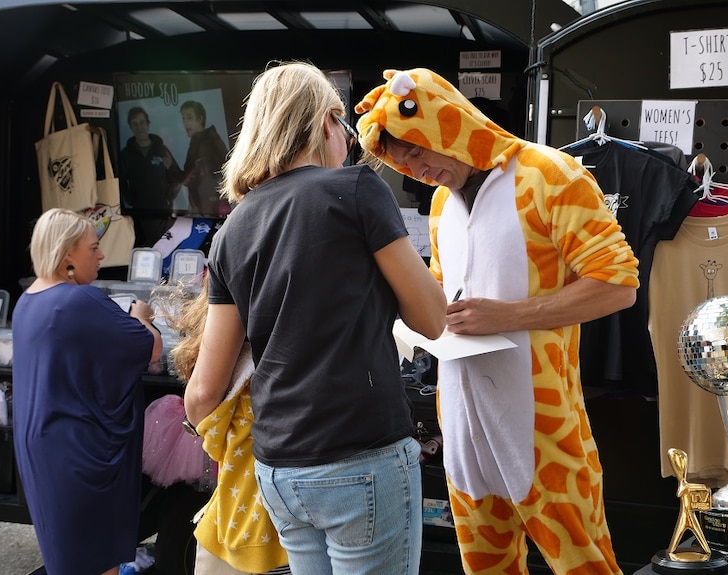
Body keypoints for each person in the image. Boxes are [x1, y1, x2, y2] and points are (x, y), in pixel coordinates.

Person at [355, 68, 640, 575]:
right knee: (484, 567)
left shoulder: (553, 174)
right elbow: (444, 294)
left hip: (543, 427)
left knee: (584, 565)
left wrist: (508, 316)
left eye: (417, 152)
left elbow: (618, 285)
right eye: (402, 164)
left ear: (446, 123)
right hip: (462, 426)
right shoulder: (441, 203)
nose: (416, 171)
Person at [183, 61, 447, 575]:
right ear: (327, 121)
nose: (347, 143)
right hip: (361, 454)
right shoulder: (357, 190)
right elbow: (432, 320)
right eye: (345, 130)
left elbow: (202, 391)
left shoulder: (233, 228)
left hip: (278, 468)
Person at [11, 208, 162, 575]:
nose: (101, 256)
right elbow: (150, 348)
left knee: (68, 557)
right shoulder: (79, 301)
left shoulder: (27, 300)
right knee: (97, 561)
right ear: (67, 255)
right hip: (81, 454)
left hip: (44, 448)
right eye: (93, 247)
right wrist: (141, 315)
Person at [167, 281, 290, 575]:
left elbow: (202, 397)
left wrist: (197, 426)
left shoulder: (237, 371)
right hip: (294, 531)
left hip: (239, 525)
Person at [119, 106, 185, 213]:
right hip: (139, 214)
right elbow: (121, 183)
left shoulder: (161, 150)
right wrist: (132, 201)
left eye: (142, 122)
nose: (139, 127)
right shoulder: (126, 154)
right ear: (131, 127)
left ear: (148, 124)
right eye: (134, 124)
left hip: (164, 212)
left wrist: (168, 198)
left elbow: (178, 178)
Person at [180, 100, 231, 216]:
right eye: (183, 118)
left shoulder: (206, 142)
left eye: (189, 118)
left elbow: (217, 173)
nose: (185, 123)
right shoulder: (199, 141)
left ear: (200, 119)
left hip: (211, 209)